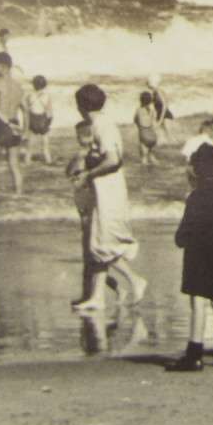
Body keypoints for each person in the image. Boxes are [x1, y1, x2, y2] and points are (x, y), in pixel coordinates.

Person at [71, 83, 148, 311]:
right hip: (104, 189)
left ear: (81, 107)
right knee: (100, 242)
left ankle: (135, 280)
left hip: (109, 190)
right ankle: (97, 297)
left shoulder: (103, 126)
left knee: (103, 244)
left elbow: (114, 160)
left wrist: (88, 174)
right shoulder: (100, 124)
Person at [167, 144, 213, 372]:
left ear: (198, 169)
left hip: (197, 254)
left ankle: (195, 353)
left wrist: (180, 239)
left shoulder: (196, 197)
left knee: (198, 302)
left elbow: (186, 229)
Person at [0, 52, 25, 195]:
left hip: (1, 124)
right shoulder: (18, 86)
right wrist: (25, 129)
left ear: (2, 66)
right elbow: (25, 109)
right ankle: (18, 192)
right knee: (14, 163)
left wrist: (6, 122)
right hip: (15, 123)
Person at [23, 74, 54, 164]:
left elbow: (27, 110)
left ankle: (27, 159)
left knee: (30, 142)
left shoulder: (30, 95)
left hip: (33, 119)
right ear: (44, 85)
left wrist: (26, 125)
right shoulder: (47, 96)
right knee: (45, 143)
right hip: (43, 120)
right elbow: (49, 111)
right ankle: (48, 159)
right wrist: (49, 122)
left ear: (33, 85)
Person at [134, 91, 159, 165]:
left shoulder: (138, 110)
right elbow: (154, 121)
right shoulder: (152, 110)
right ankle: (154, 161)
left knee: (144, 156)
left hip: (144, 135)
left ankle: (144, 163)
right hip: (153, 135)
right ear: (150, 101)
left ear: (140, 100)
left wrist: (139, 125)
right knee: (151, 153)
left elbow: (135, 119)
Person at [147, 75, 174, 144]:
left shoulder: (159, 92)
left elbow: (165, 105)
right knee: (164, 135)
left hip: (165, 115)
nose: (148, 87)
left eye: (149, 85)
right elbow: (153, 108)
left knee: (169, 136)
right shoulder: (154, 93)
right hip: (161, 114)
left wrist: (161, 119)